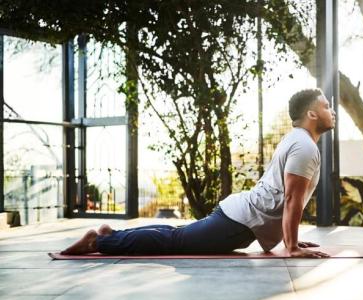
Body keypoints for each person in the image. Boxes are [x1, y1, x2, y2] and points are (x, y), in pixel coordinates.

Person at [62, 88, 336, 258]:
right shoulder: (304, 146)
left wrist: (292, 239)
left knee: (178, 234)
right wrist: (291, 247)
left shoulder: (298, 140)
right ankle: (99, 241)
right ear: (311, 114)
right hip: (239, 221)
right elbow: (290, 199)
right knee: (176, 241)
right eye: (326, 106)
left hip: (240, 218)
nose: (331, 111)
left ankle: (111, 234)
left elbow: (284, 197)